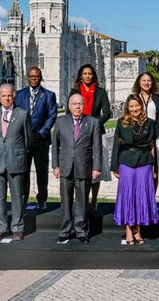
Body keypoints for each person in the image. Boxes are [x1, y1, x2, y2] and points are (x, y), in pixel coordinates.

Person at [0, 84, 35, 242]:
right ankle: (0, 227)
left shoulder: (22, 114)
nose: (7, 98)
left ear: (13, 97)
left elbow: (28, 139)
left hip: (16, 160)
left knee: (17, 197)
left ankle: (17, 228)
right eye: (4, 96)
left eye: (9, 96)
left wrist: (16, 151)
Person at [53, 93, 102, 244]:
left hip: (84, 167)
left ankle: (81, 231)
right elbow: (55, 145)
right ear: (69, 106)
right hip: (65, 167)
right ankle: (65, 231)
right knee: (66, 201)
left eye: (80, 104)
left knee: (82, 201)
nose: (77, 107)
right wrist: (55, 165)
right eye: (74, 104)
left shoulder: (92, 122)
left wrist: (97, 168)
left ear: (84, 105)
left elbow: (97, 148)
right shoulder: (60, 121)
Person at [111, 94, 159, 245]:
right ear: (127, 108)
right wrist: (115, 167)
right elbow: (115, 146)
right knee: (128, 197)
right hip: (126, 162)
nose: (134, 109)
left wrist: (154, 166)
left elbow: (152, 146)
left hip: (144, 162)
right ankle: (128, 229)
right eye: (131, 106)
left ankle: (138, 229)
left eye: (137, 105)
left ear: (141, 106)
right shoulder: (121, 122)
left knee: (141, 197)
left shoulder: (150, 123)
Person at [69, 64, 112, 212]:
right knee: (80, 167)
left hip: (96, 132)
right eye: (85, 73)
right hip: (78, 133)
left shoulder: (100, 92)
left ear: (93, 76)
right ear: (80, 76)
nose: (87, 76)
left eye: (90, 74)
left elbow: (107, 112)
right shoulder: (75, 92)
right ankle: (81, 200)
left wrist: (93, 124)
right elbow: (70, 112)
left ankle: (94, 200)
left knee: (95, 168)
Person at [15, 66, 58, 210]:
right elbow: (16, 115)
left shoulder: (49, 95)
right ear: (27, 78)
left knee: (42, 172)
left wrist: (41, 133)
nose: (34, 79)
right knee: (24, 171)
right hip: (24, 140)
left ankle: (42, 199)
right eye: (31, 76)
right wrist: (25, 133)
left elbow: (52, 115)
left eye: (36, 76)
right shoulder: (19, 95)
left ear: (40, 77)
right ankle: (24, 199)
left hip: (41, 139)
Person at [132, 72, 159, 174]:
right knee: (140, 167)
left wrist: (151, 135)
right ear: (139, 83)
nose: (146, 83)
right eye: (144, 81)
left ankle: (153, 190)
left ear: (152, 83)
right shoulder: (134, 98)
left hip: (156, 137)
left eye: (149, 81)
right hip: (138, 138)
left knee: (155, 170)